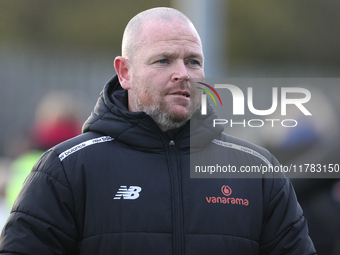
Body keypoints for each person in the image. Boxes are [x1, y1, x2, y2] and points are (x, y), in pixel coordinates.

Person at [0, 7, 316, 254]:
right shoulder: (66, 168)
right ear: (125, 72)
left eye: (193, 62)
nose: (183, 74)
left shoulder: (257, 171)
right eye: (164, 61)